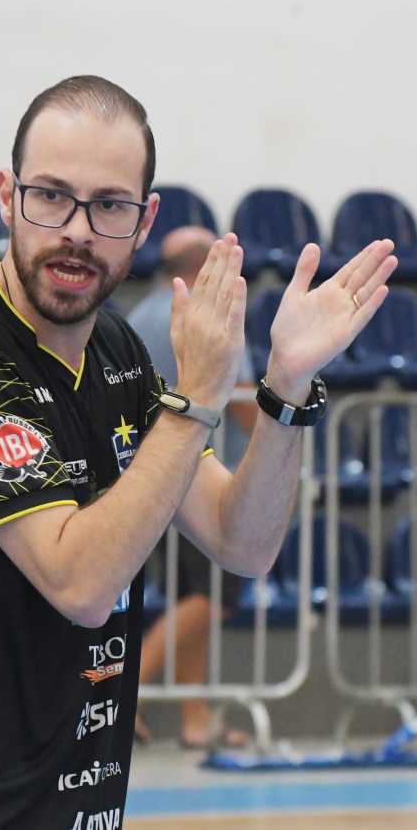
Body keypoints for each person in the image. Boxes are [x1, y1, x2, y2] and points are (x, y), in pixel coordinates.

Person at [0, 75, 397, 828]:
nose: (77, 230)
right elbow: (81, 585)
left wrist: (285, 388)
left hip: (80, 799)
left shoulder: (116, 350)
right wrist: (197, 397)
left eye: (109, 205)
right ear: (7, 196)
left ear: (145, 222)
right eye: (51, 196)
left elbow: (242, 542)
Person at [126, 225, 257, 749]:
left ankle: (195, 719)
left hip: (148, 477)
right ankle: (126, 694)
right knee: (212, 599)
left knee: (193, 599)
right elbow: (244, 404)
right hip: (202, 481)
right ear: (206, 267)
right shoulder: (210, 317)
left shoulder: (136, 317)